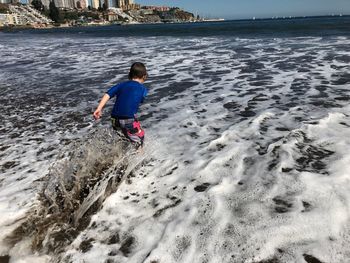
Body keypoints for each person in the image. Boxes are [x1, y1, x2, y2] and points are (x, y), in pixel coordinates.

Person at [93, 62, 148, 147]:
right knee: (140, 139)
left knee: (123, 139)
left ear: (129, 75)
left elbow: (108, 94)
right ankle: (139, 158)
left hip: (114, 119)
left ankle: (119, 155)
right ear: (144, 76)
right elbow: (141, 100)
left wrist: (99, 108)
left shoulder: (121, 85)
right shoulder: (143, 89)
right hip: (128, 120)